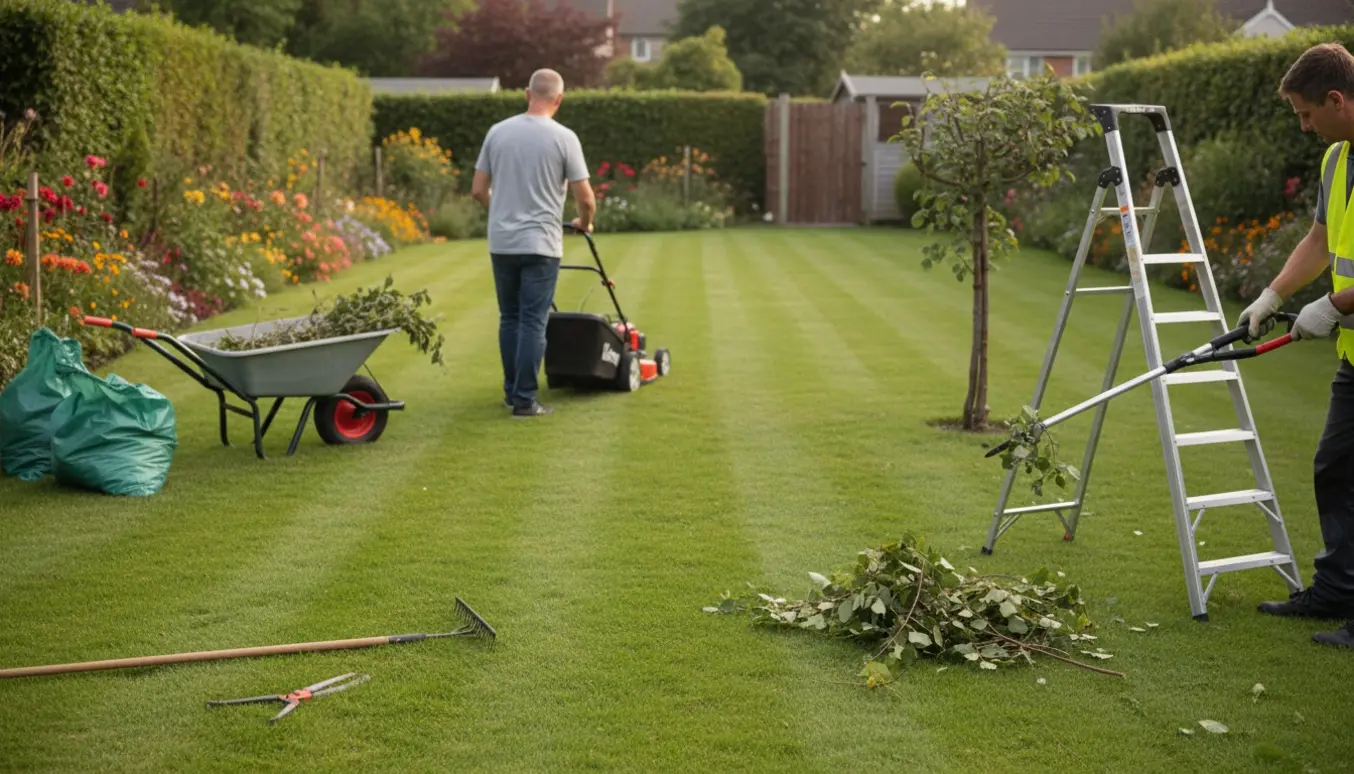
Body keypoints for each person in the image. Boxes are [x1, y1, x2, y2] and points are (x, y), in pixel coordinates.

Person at [1240, 42, 1354, 648]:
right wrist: (1274, 295)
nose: (1304, 126)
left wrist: (1332, 305)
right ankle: (1336, 590)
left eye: (1306, 114)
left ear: (1335, 99)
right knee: (1334, 468)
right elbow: (1318, 239)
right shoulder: (1337, 160)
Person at [471, 68, 596, 418]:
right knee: (532, 321)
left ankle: (512, 393)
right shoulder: (564, 138)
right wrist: (584, 224)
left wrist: (501, 212)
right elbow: (585, 199)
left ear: (528, 94)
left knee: (509, 318)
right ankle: (525, 400)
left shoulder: (497, 133)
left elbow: (478, 190)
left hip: (502, 242)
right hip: (541, 242)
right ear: (559, 99)